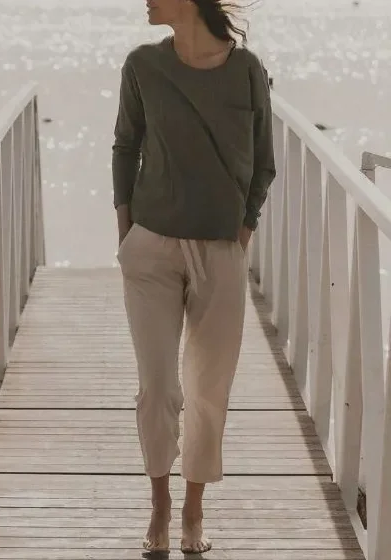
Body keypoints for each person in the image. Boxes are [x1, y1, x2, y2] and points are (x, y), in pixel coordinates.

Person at [112, 0, 276, 554]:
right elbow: (126, 147)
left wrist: (242, 232)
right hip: (151, 249)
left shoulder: (246, 69)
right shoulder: (142, 64)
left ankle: (193, 511)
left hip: (221, 250)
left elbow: (264, 161)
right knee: (158, 387)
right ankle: (159, 508)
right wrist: (126, 233)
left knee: (209, 389)